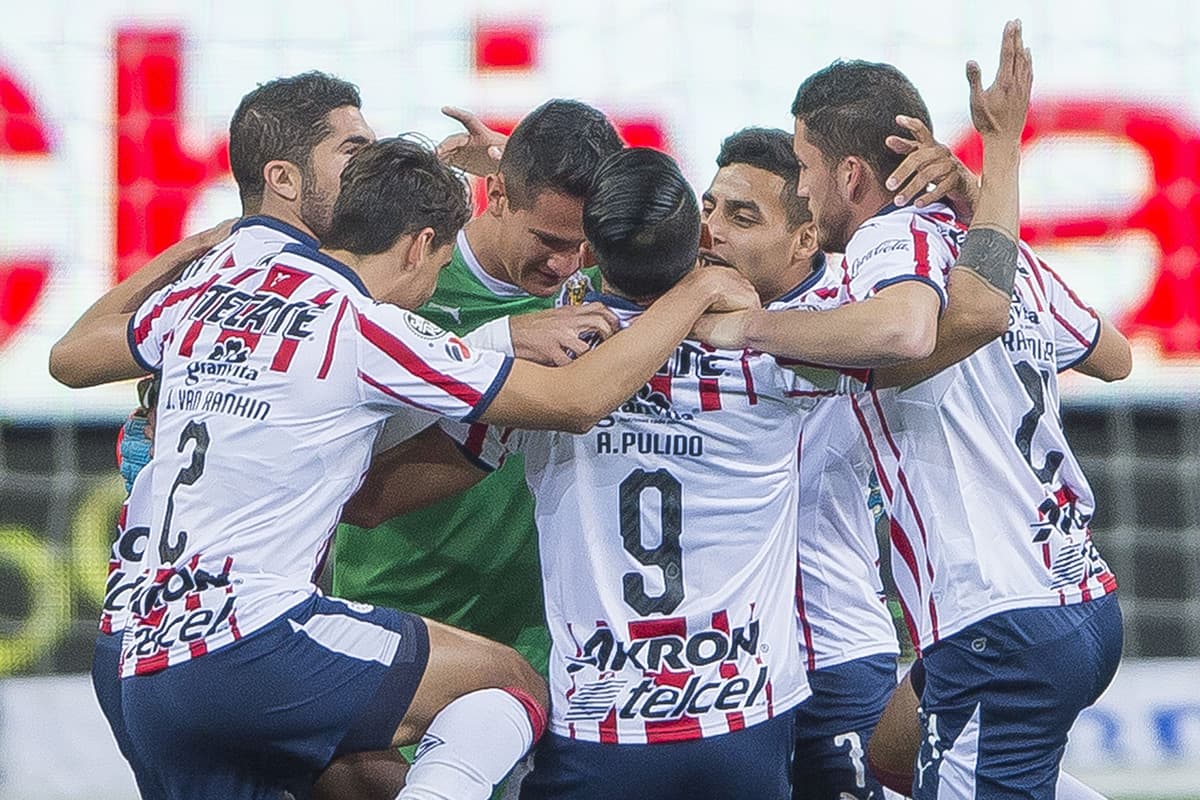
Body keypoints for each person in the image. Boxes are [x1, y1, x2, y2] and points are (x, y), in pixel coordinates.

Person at [50, 134, 756, 800]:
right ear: (422, 246)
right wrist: (693, 291)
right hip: (247, 641)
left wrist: (205, 242)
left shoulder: (217, 293)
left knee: (366, 781)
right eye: (443, 261)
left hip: (132, 658)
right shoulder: (363, 324)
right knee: (505, 684)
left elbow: (75, 352)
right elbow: (576, 402)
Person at [698, 21, 1133, 799]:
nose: (800, 188)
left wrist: (750, 326)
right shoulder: (992, 251)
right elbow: (1115, 356)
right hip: (1076, 594)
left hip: (998, 616)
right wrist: (981, 190)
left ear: (851, 174)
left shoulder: (890, 239)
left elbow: (906, 329)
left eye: (802, 167)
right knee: (893, 759)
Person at [334, 100, 625, 698]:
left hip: (549, 632)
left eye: (582, 244)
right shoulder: (410, 274)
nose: (566, 262)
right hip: (404, 607)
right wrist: (495, 345)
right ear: (496, 194)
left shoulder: (599, 275)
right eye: (547, 239)